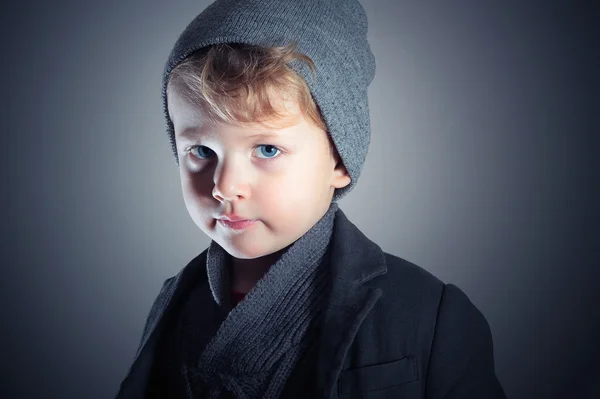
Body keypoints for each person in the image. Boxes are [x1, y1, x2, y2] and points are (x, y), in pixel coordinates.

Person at [115, 0, 507, 397]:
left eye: (267, 149)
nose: (225, 185)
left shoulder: (430, 314)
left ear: (340, 159)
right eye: (201, 152)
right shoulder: (174, 301)